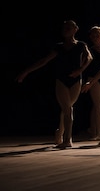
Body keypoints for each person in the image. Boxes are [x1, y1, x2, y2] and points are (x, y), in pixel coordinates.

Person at [17, 20, 93, 149]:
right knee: (68, 109)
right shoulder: (59, 47)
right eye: (64, 28)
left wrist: (80, 70)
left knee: (67, 109)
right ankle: (67, 140)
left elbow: (89, 58)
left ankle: (60, 131)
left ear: (75, 29)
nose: (66, 30)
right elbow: (44, 61)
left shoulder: (81, 45)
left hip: (75, 80)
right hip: (61, 80)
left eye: (69, 28)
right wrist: (26, 72)